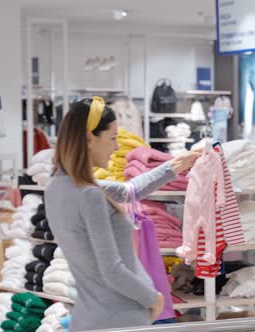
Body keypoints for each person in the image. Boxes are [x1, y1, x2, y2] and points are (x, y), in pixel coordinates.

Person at [44, 97, 201, 331]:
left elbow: (131, 190)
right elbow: (112, 269)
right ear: (89, 138)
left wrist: (178, 164)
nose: (117, 147)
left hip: (90, 316)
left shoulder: (57, 187)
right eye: (113, 137)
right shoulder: (89, 194)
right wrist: (153, 298)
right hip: (120, 316)